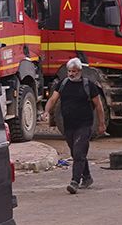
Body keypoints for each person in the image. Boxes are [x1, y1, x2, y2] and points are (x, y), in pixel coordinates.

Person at [44, 59, 104, 191]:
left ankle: (74, 182)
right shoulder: (63, 84)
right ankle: (87, 177)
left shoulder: (89, 85)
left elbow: (99, 106)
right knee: (77, 153)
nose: (71, 74)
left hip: (85, 124)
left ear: (80, 72)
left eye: (74, 71)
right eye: (69, 71)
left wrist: (101, 124)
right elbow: (53, 99)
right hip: (69, 125)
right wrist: (46, 111)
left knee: (78, 153)